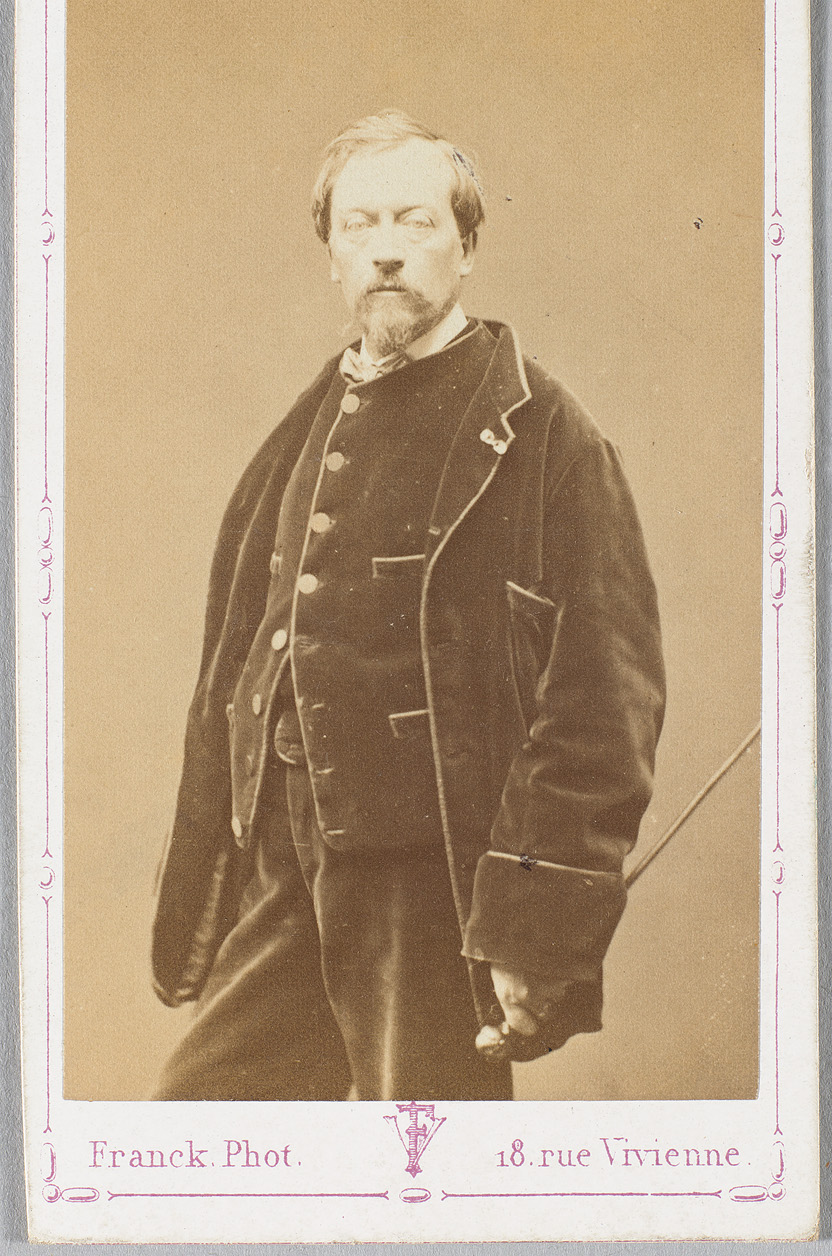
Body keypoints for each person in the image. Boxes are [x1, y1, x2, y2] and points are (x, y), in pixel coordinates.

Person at [151, 111, 665, 1102]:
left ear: (466, 247)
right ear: (332, 256)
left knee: (425, 1156)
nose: (386, 248)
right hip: (286, 869)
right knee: (199, 1125)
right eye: (360, 224)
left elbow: (605, 702)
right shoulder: (311, 417)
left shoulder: (546, 436)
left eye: (416, 222)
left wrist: (532, 925)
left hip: (429, 891)